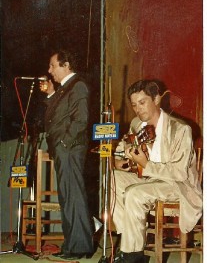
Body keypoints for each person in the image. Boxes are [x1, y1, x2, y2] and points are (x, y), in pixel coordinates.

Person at [111, 79, 202, 263]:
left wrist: (146, 164)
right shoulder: (137, 124)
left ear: (157, 99)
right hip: (149, 182)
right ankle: (128, 242)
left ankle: (133, 256)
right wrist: (118, 161)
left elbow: (179, 173)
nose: (138, 109)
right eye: (134, 105)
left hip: (178, 186)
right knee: (112, 179)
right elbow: (122, 149)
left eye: (142, 103)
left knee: (134, 193)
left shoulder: (180, 130)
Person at [40, 49, 94, 260]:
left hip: (69, 149)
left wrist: (63, 142)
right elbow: (58, 114)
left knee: (74, 197)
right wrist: (51, 94)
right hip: (64, 150)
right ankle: (72, 245)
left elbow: (81, 120)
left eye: (53, 65)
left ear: (66, 65)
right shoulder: (64, 89)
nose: (49, 70)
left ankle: (80, 247)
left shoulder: (78, 86)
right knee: (68, 198)